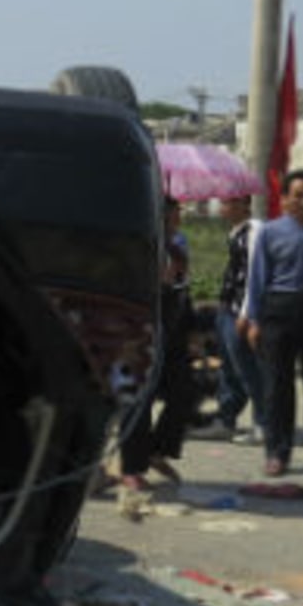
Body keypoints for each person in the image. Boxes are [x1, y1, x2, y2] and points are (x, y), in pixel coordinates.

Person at [241, 169, 303, 476]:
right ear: (285, 198)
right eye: (299, 195)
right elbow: (257, 278)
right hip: (279, 310)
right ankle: (278, 452)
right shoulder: (271, 232)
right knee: (278, 386)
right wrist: (253, 319)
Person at [113, 198, 195, 487]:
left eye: (177, 218)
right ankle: (131, 468)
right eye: (169, 219)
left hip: (173, 329)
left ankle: (158, 449)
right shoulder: (140, 247)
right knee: (139, 398)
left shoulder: (179, 246)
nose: (175, 224)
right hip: (140, 330)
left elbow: (185, 290)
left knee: (185, 391)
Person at [192, 194, 265, 442]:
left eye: (228, 203)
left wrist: (247, 314)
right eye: (222, 203)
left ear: (244, 205)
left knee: (249, 369)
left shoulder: (255, 231)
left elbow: (256, 276)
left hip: (240, 312)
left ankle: (263, 423)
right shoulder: (235, 232)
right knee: (229, 370)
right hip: (226, 309)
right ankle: (226, 419)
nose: (223, 208)